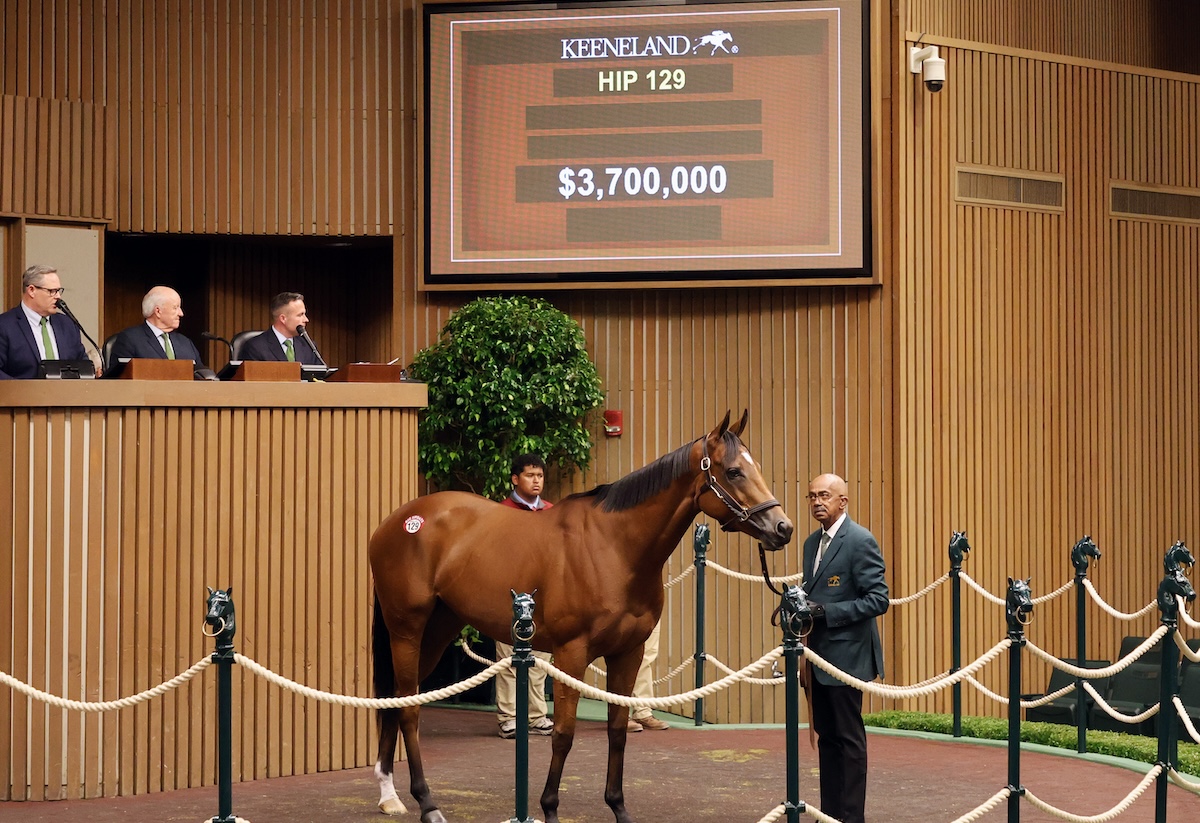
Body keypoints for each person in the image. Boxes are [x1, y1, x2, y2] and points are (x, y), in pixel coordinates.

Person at [801, 473, 888, 823]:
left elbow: (878, 600)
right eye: (811, 497)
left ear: (843, 501)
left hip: (848, 658)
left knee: (849, 741)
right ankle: (831, 815)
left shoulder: (860, 540)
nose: (817, 502)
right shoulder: (810, 544)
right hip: (817, 657)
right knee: (827, 740)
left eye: (824, 495)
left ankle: (852, 817)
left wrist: (826, 612)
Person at [494, 453, 556, 739]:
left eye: (540, 476)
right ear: (515, 479)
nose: (536, 481)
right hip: (510, 596)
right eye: (530, 475)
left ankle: (536, 715)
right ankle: (508, 717)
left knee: (541, 660)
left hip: (543, 597)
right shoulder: (502, 512)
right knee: (507, 658)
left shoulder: (552, 512)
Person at [0, 264, 88, 379]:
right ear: (31, 290)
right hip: (22, 395)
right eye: (52, 291)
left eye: (59, 291)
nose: (58, 297)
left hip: (66, 395)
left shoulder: (67, 324)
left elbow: (83, 364)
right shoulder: (5, 326)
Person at [110, 286, 208, 372]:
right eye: (175, 308)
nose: (181, 313)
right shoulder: (130, 339)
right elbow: (119, 380)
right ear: (158, 311)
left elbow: (201, 375)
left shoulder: (186, 343)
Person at [238, 291, 320, 364]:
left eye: (305, 314)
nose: (306, 320)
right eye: (300, 315)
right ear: (283, 318)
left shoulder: (308, 346)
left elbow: (320, 377)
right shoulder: (255, 347)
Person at [626, 620, 671, 731]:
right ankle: (619, 714)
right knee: (621, 652)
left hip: (650, 604)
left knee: (647, 654)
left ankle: (642, 711)